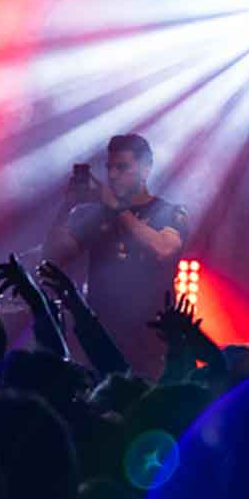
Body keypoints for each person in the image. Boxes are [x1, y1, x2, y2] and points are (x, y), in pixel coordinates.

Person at [44, 134, 188, 375]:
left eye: (122, 167)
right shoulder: (96, 214)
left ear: (146, 169)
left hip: (151, 342)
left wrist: (117, 209)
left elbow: (164, 250)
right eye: (109, 168)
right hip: (103, 338)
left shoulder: (169, 212)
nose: (112, 175)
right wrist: (67, 205)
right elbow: (52, 255)